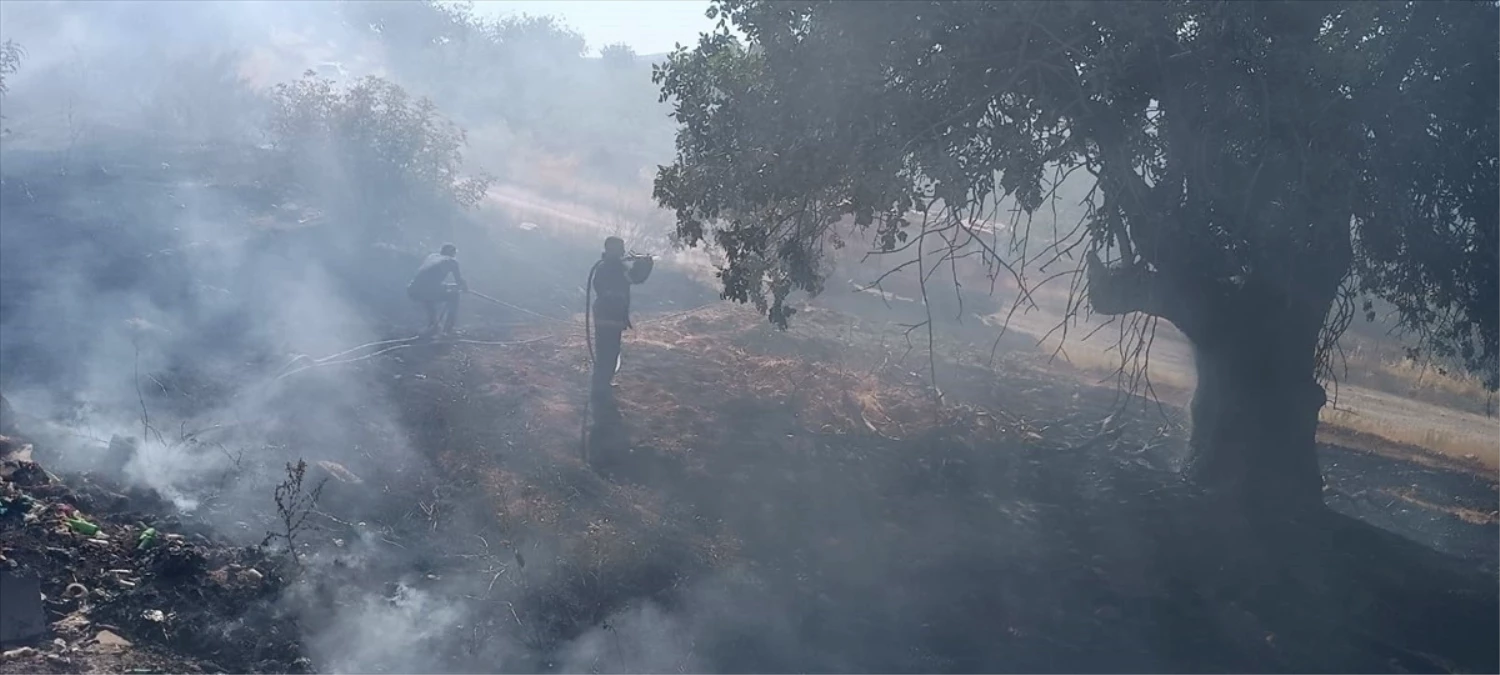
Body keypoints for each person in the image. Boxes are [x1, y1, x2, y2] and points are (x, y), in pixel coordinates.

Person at [590, 236, 653, 399]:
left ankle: (602, 384)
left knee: (607, 351)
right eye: (620, 248)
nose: (624, 252)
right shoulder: (613, 268)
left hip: (608, 316)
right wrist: (645, 264)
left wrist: (643, 264)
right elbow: (635, 278)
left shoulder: (606, 267)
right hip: (609, 316)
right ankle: (600, 388)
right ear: (612, 249)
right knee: (608, 352)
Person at [407, 243, 468, 337]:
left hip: (413, 289)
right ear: (452, 253)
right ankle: (448, 330)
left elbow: (428, 279)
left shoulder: (432, 257)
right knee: (454, 296)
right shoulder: (451, 261)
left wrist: (448, 286)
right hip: (426, 289)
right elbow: (459, 281)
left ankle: (433, 325)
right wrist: (464, 287)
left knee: (429, 297)